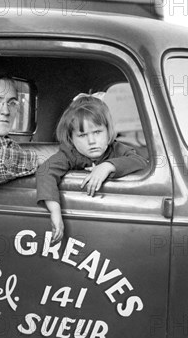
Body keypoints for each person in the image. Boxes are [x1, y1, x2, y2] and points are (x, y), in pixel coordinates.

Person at [36, 93, 148, 243]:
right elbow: (45, 171)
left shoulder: (117, 149)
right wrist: (55, 212)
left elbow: (139, 161)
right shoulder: (69, 154)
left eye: (97, 132)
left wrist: (108, 166)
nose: (91, 141)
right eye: (82, 135)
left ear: (108, 131)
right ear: (71, 139)